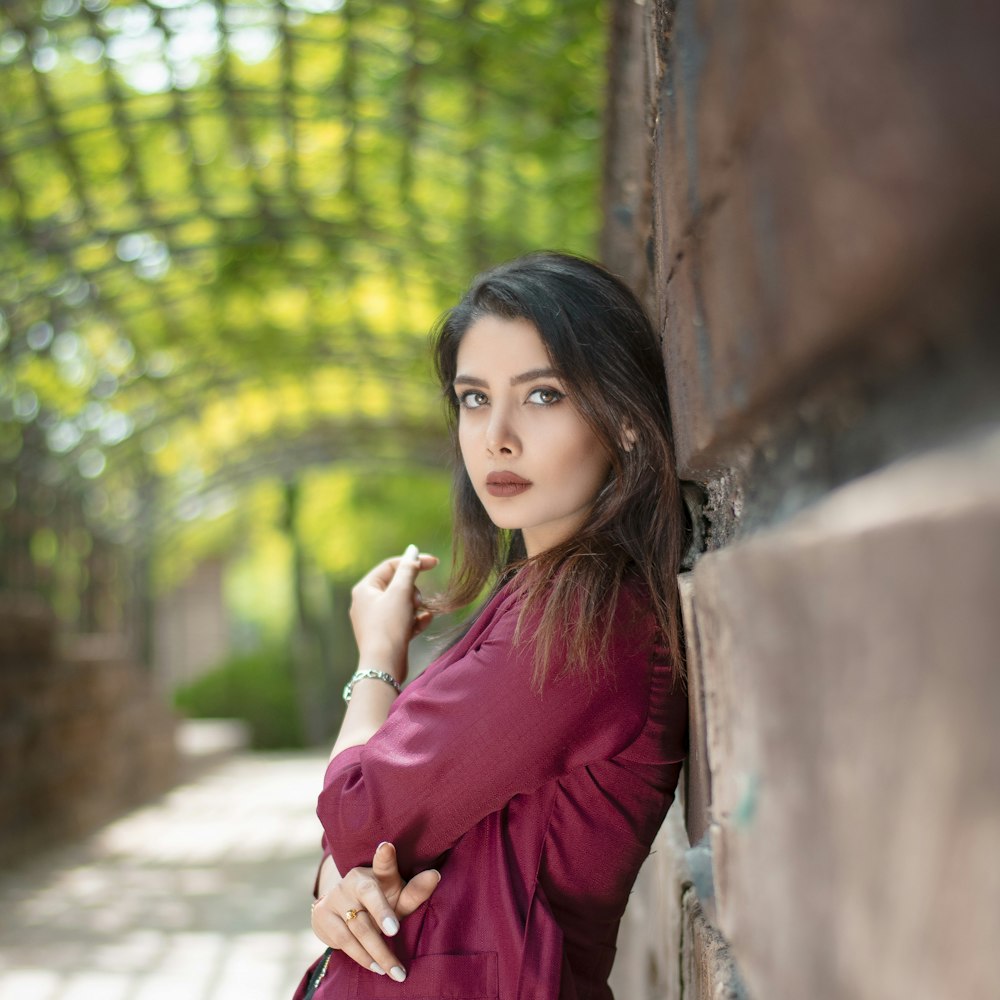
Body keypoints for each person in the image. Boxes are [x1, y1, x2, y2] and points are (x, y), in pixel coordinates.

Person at [295, 251, 689, 1000]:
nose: (496, 437)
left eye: (543, 396)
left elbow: (355, 812)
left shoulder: (588, 625)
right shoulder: (528, 602)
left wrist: (378, 656)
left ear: (628, 424)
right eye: (474, 399)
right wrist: (338, 887)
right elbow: (363, 839)